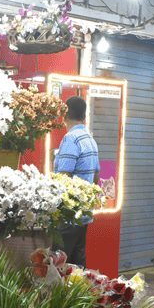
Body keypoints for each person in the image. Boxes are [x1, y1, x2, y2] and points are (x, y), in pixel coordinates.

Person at [52, 96, 100, 267]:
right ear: (84, 116)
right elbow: (97, 175)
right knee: (77, 265)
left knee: (58, 263)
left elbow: (63, 177)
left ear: (64, 114)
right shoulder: (90, 139)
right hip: (84, 214)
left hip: (69, 215)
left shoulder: (70, 139)